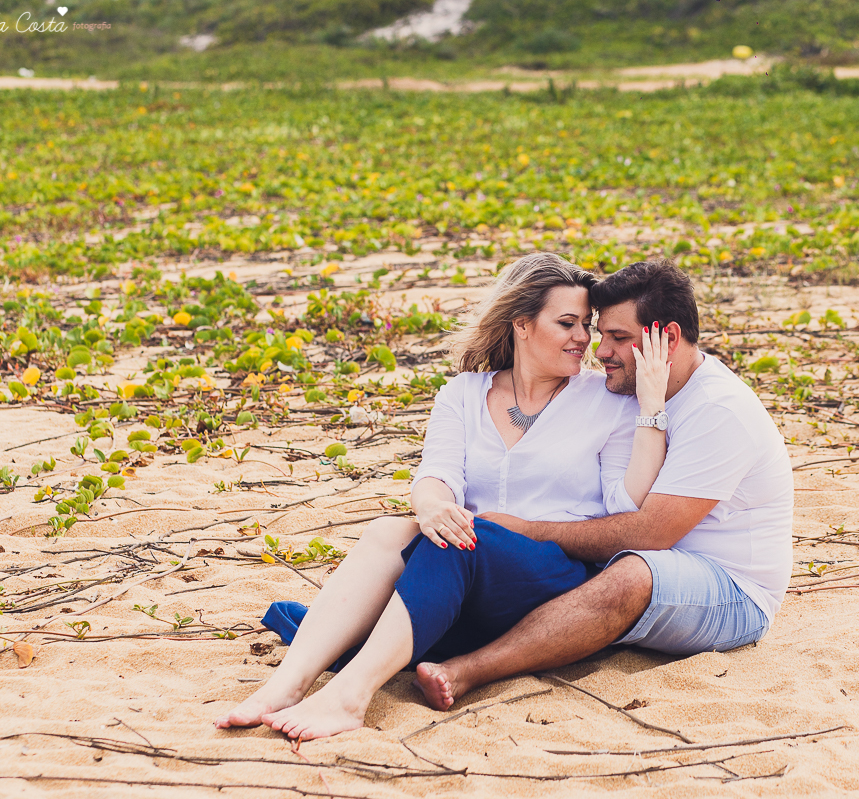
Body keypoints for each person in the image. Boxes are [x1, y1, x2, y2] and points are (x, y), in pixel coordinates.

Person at [214, 252, 671, 740]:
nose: (584, 338)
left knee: (458, 543)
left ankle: (350, 696)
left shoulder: (606, 401)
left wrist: (651, 407)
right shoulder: (463, 394)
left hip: (554, 574)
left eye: (587, 324)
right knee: (392, 531)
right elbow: (438, 475)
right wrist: (432, 505)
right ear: (521, 324)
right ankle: (285, 685)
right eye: (567, 323)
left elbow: (626, 505)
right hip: (465, 566)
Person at [413, 259, 794, 712]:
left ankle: (468, 669)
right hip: (657, 565)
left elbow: (651, 534)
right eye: (601, 334)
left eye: (618, 338)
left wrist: (527, 530)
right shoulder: (639, 395)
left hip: (732, 591)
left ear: (667, 339)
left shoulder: (718, 410)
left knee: (631, 574)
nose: (600, 351)